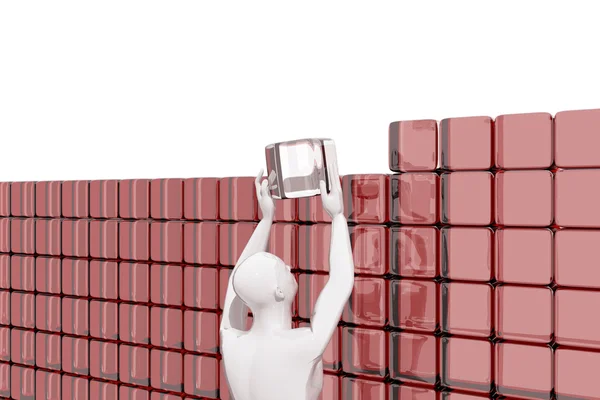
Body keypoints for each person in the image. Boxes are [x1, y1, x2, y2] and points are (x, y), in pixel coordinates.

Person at [219, 163, 355, 400]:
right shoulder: (300, 345)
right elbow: (340, 282)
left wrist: (266, 220)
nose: (289, 267)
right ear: (279, 291)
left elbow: (236, 284)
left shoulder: (231, 342)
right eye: (283, 268)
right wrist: (338, 216)